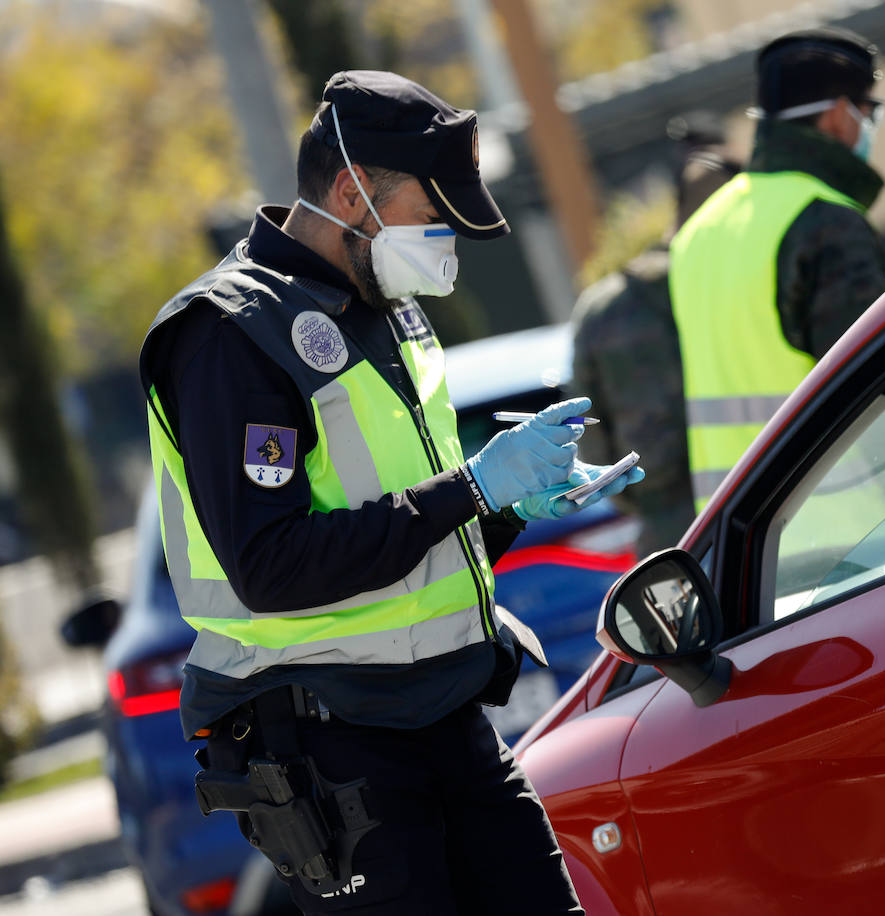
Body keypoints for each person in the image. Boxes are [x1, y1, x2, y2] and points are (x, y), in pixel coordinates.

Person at [139, 70, 642, 914]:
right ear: (351, 190)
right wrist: (473, 485)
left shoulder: (384, 302)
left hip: (443, 716)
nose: (443, 239)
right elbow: (272, 567)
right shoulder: (231, 336)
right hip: (333, 745)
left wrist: (509, 503)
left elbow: (414, 546)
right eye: (430, 214)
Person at [668, 26, 885, 509]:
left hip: (737, 542)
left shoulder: (698, 231)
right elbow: (884, 386)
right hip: (852, 531)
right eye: (869, 111)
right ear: (837, 116)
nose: (871, 125)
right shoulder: (827, 222)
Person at [572, 136, 741, 555]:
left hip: (664, 535)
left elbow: (589, 438)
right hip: (757, 506)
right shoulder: (732, 286)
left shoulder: (600, 309)